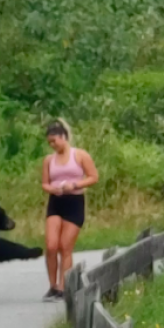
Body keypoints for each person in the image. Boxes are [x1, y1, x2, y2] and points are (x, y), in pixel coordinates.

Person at [40, 119, 98, 302]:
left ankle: (64, 286)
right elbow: (45, 183)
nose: (53, 145)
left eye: (55, 141)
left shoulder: (80, 155)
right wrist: (53, 189)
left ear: (63, 137)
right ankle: (52, 286)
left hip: (74, 201)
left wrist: (75, 184)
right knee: (51, 245)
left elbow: (93, 177)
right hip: (56, 202)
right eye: (49, 143)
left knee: (65, 247)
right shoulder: (49, 160)